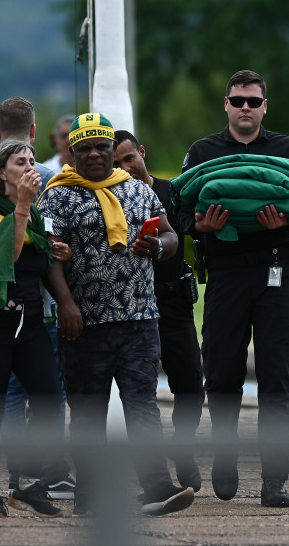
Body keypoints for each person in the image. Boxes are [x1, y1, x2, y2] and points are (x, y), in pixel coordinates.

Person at [39, 112, 194, 517]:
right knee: (88, 411)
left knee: (142, 405)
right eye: (84, 148)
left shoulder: (138, 191)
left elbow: (170, 234)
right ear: (71, 153)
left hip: (140, 318)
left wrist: (157, 247)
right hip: (83, 323)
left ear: (112, 150)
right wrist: (66, 304)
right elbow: (48, 255)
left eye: (101, 147)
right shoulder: (57, 196)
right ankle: (89, 495)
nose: (94, 154)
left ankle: (157, 486)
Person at [176, 70, 289, 508]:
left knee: (276, 376)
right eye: (238, 101)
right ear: (226, 104)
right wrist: (197, 225)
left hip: (277, 272)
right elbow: (176, 208)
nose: (245, 109)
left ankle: (275, 479)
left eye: (254, 102)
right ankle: (224, 457)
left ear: (265, 107)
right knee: (221, 373)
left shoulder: (287, 149)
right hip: (225, 272)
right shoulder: (203, 152)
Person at [0, 139, 72, 519]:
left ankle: (29, 487)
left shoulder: (34, 213)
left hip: (29, 321)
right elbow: (10, 251)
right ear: (2, 172)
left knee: (51, 400)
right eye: (21, 161)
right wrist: (23, 205)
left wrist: (56, 251)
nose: (30, 166)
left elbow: (35, 253)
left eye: (33, 160)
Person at [113, 129, 204, 492]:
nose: (125, 167)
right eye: (116, 162)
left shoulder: (172, 193)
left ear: (142, 152)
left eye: (129, 158)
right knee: (141, 392)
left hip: (173, 301)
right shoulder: (110, 199)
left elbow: (195, 230)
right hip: (133, 304)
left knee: (191, 386)